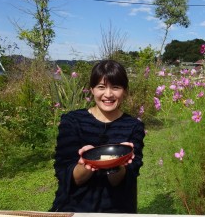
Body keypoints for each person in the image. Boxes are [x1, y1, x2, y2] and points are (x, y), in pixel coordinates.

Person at [50, 60, 145, 213]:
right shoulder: (72, 121)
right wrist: (85, 164)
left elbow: (124, 180)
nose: (108, 94)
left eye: (116, 87)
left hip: (116, 208)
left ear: (125, 91)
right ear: (92, 89)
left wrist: (117, 164)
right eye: (101, 87)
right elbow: (67, 176)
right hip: (75, 207)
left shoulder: (134, 126)